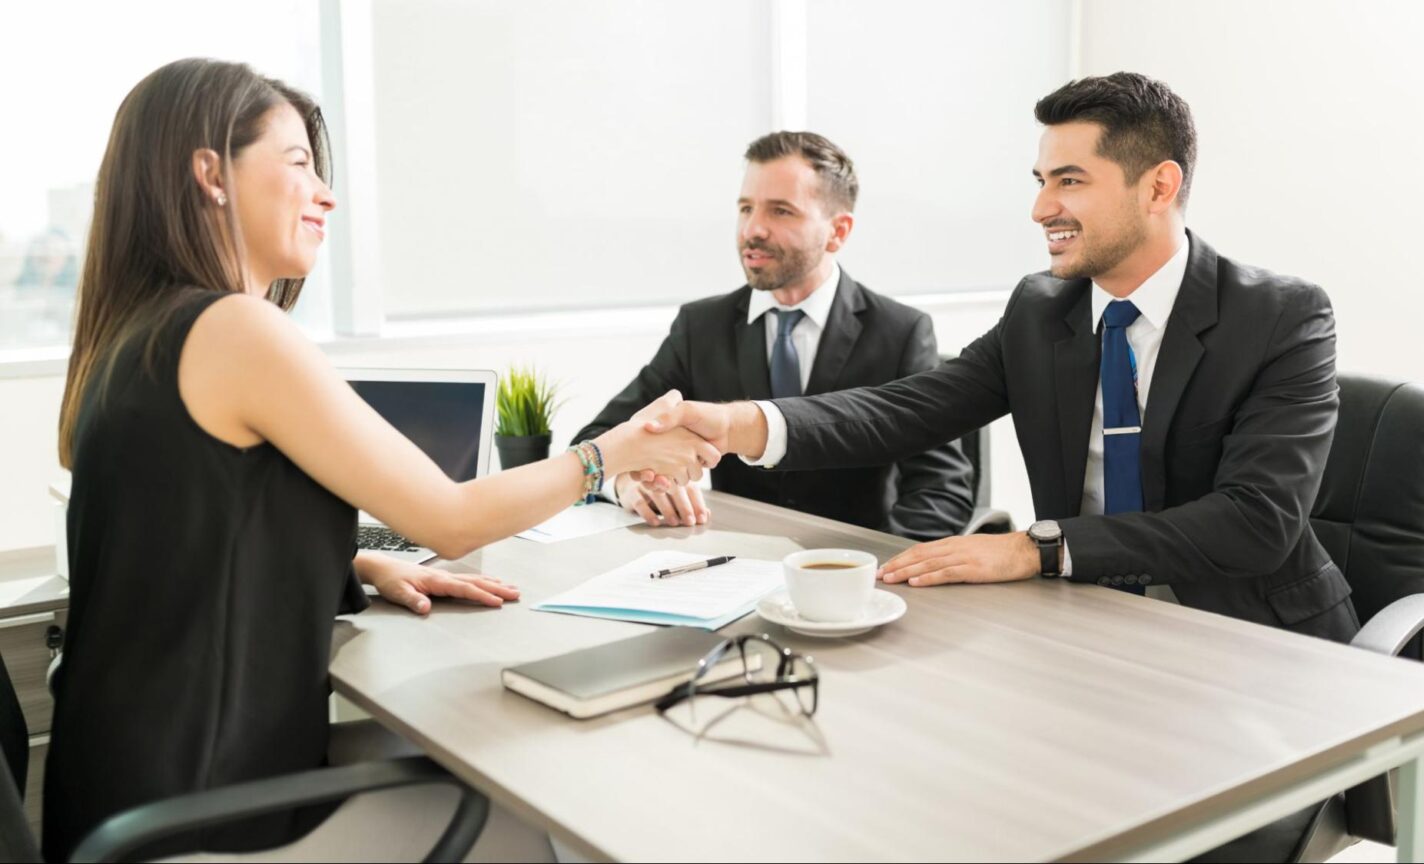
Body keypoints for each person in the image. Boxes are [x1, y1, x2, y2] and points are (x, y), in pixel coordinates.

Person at [643, 73, 1354, 861]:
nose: (1042, 208)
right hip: (1088, 639)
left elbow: (1258, 521)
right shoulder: (1041, 308)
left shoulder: (1281, 315)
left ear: (1160, 186)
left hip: (1248, 654)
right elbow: (909, 407)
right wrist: (744, 422)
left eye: (1070, 181)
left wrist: (1037, 548)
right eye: (1041, 181)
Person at [44, 58, 717, 861]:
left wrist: (358, 561)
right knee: (525, 826)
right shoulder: (232, 330)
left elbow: (189, 531)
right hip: (203, 819)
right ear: (210, 174)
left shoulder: (132, 337)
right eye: (299, 164)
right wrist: (611, 452)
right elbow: (451, 519)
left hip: (119, 798)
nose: (325, 193)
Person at [573, 131, 972, 540]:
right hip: (731, 566)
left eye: (780, 211)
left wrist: (879, 575)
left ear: (838, 231)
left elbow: (941, 492)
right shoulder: (701, 326)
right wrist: (624, 482)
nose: (753, 229)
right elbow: (593, 442)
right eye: (746, 208)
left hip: (852, 577)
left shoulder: (899, 332)